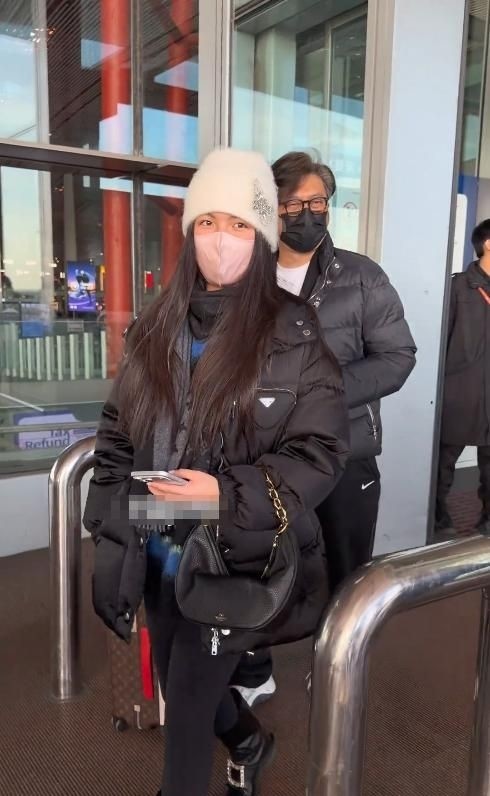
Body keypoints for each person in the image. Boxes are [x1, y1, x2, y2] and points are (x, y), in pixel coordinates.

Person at [83, 148, 350, 796]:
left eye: (237, 224)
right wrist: (113, 533)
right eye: (207, 223)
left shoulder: (292, 333)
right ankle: (251, 741)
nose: (220, 240)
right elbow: (117, 435)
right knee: (178, 680)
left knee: (187, 707)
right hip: (158, 541)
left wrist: (226, 494)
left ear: (260, 237)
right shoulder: (157, 325)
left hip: (231, 552)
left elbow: (320, 451)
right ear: (189, 233)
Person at [231, 150, 417, 707]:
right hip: (263, 454)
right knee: (256, 559)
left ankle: (335, 664)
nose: (307, 213)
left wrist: (319, 395)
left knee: (345, 566)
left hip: (344, 450)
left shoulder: (362, 277)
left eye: (318, 202)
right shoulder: (245, 274)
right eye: (292, 204)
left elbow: (397, 357)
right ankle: (254, 667)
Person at [435, 219, 490, 538]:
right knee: (442, 462)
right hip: (459, 391)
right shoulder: (457, 287)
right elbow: (440, 340)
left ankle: (488, 519)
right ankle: (437, 518)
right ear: (487, 244)